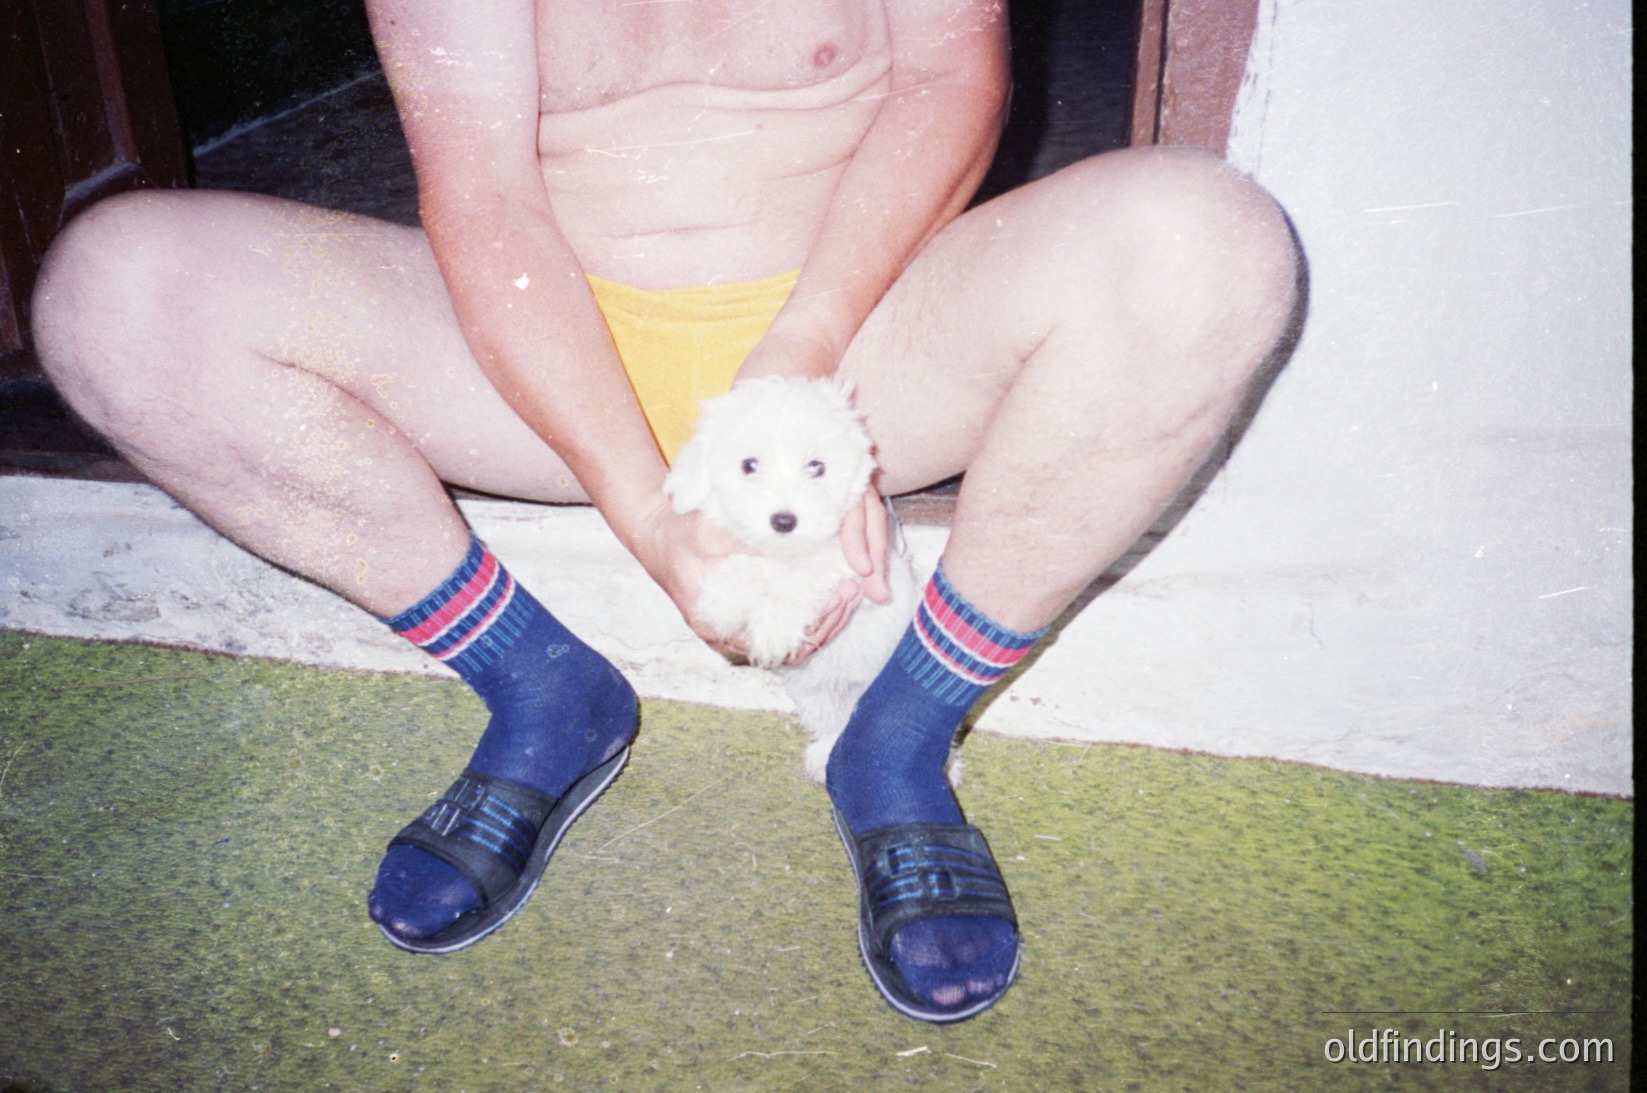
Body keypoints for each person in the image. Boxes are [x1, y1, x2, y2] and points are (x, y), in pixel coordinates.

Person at [31, 0, 1299, 1022]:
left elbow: (949, 87)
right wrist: (650, 512)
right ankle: (542, 688)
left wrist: (803, 367)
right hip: (564, 345)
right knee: (117, 291)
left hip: (864, 339)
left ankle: (898, 735)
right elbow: (484, 198)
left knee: (1208, 243)